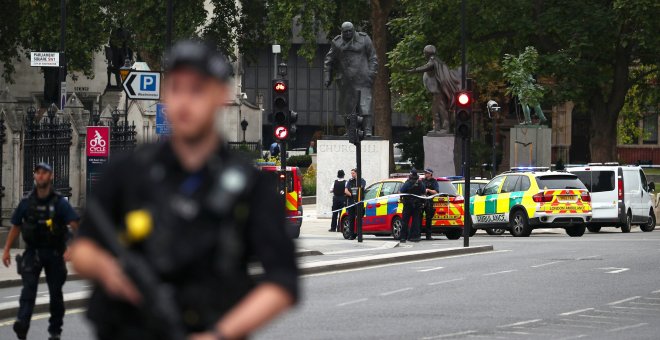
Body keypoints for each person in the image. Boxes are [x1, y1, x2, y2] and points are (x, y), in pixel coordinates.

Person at [70, 40, 298, 340]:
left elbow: (282, 282)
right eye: (176, 89)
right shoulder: (127, 171)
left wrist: (220, 334)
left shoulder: (250, 186)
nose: (184, 102)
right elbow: (81, 248)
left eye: (197, 90)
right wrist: (105, 268)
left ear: (221, 96)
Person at [2, 162, 80, 340]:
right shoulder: (26, 203)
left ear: (51, 176)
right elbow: (15, 226)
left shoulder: (59, 203)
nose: (41, 176)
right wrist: (6, 250)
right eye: (38, 172)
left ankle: (55, 331)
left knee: (55, 295)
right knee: (28, 291)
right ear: (34, 176)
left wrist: (74, 248)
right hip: (33, 252)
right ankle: (22, 324)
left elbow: (76, 225)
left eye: (44, 173)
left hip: (54, 253)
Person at [323, 21, 378, 136]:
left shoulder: (364, 39)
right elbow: (329, 61)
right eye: (345, 31)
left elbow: (373, 57)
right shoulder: (337, 42)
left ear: (354, 30)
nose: (348, 33)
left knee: (365, 104)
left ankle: (367, 130)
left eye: (350, 31)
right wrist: (327, 77)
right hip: (346, 80)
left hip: (363, 78)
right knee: (347, 106)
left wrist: (371, 73)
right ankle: (350, 130)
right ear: (341, 32)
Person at [399, 169, 425, 243]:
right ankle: (415, 237)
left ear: (411, 174)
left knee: (405, 221)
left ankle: (403, 237)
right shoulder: (420, 183)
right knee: (416, 221)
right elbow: (424, 192)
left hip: (408, 204)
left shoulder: (407, 183)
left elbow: (401, 191)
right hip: (417, 205)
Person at [344, 168, 366, 239]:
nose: (352, 174)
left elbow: (361, 188)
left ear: (357, 173)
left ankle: (359, 234)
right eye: (351, 173)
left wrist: (356, 196)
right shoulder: (350, 181)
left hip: (359, 202)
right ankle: (351, 234)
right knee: (351, 218)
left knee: (359, 218)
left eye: (353, 173)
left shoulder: (362, 181)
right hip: (351, 202)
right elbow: (346, 190)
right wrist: (351, 195)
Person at [421, 168, 440, 240]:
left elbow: (436, 192)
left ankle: (428, 236)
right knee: (419, 218)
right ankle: (418, 235)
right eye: (425, 173)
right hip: (422, 201)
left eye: (426, 173)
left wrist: (428, 190)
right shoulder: (422, 181)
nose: (425, 174)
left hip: (429, 202)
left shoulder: (434, 182)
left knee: (428, 219)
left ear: (430, 174)